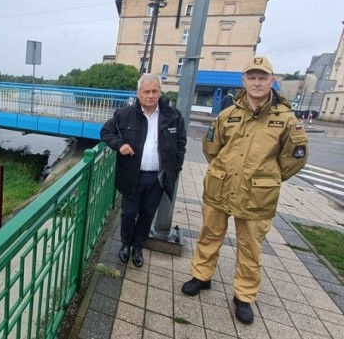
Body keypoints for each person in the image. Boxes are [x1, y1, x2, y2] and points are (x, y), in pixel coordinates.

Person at [181, 56, 309, 325]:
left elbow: (295, 158)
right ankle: (201, 276)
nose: (257, 82)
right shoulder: (228, 114)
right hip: (221, 188)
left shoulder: (286, 119)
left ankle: (244, 295)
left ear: (272, 81)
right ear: (244, 81)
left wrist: (268, 178)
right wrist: (224, 170)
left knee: (250, 247)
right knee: (209, 234)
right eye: (252, 77)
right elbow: (211, 147)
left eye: (262, 77)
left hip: (257, 195)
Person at [100, 73, 187, 267]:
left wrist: (175, 168)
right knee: (129, 213)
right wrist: (119, 144)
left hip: (157, 176)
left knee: (148, 213)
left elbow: (181, 144)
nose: (150, 95)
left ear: (160, 92)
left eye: (154, 91)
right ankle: (125, 245)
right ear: (138, 93)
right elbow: (105, 132)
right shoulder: (124, 114)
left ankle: (138, 247)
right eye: (146, 91)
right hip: (132, 175)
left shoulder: (173, 116)